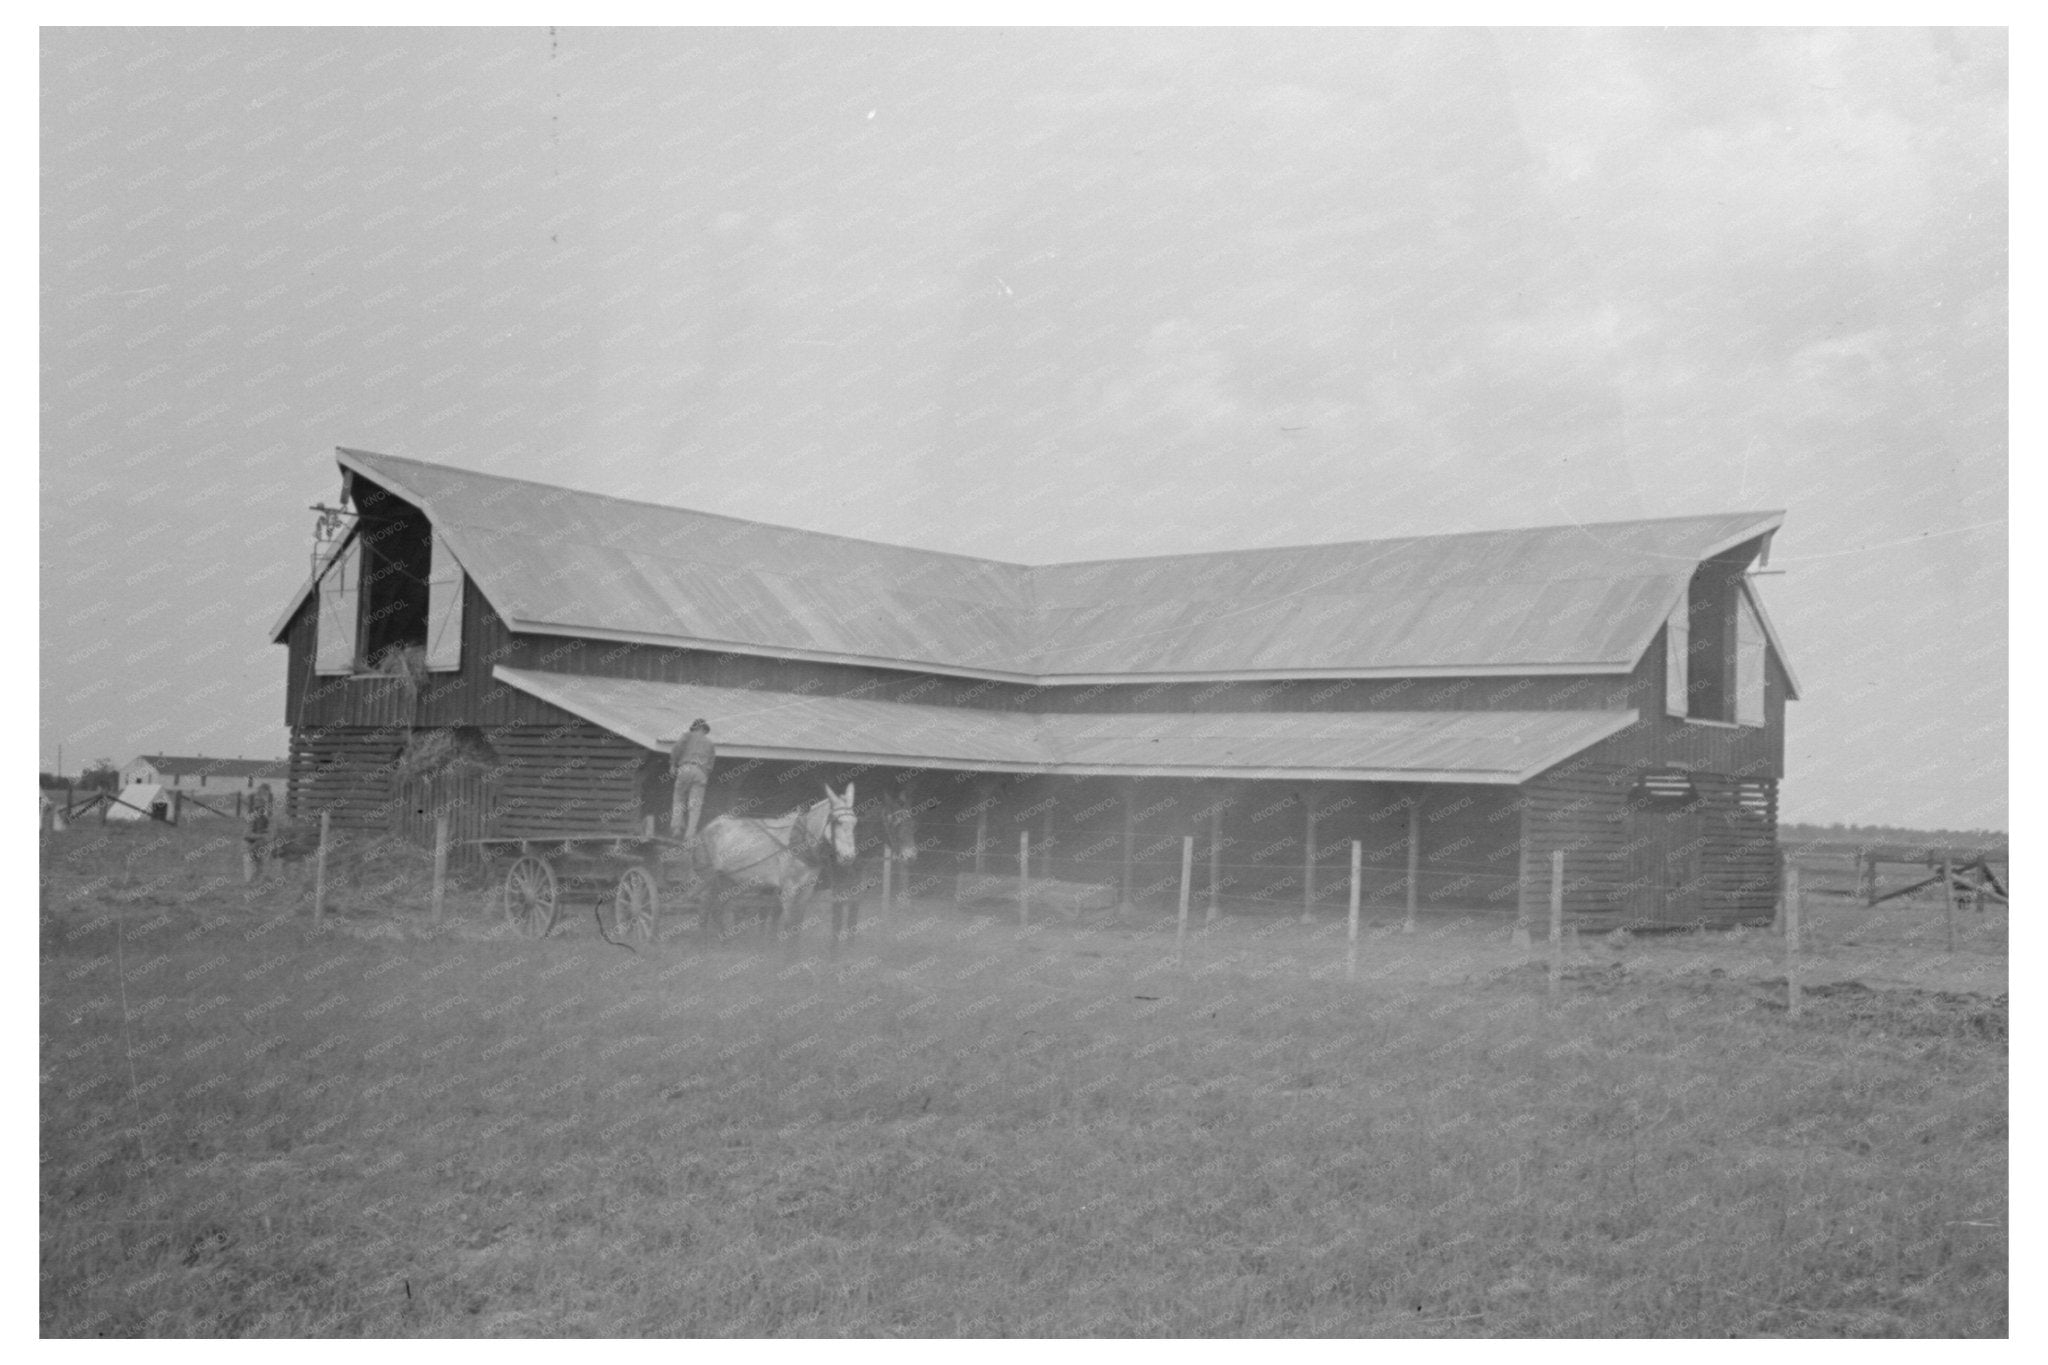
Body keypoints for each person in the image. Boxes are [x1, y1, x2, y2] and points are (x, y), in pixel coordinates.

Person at [670, 719, 716, 841]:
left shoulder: (687, 736)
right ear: (704, 729)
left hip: (685, 768)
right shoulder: (710, 743)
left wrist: (673, 764)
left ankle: (677, 828)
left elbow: (676, 749)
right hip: (701, 771)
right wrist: (704, 773)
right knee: (695, 806)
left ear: (694, 728)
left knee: (679, 799)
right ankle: (690, 834)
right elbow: (711, 764)